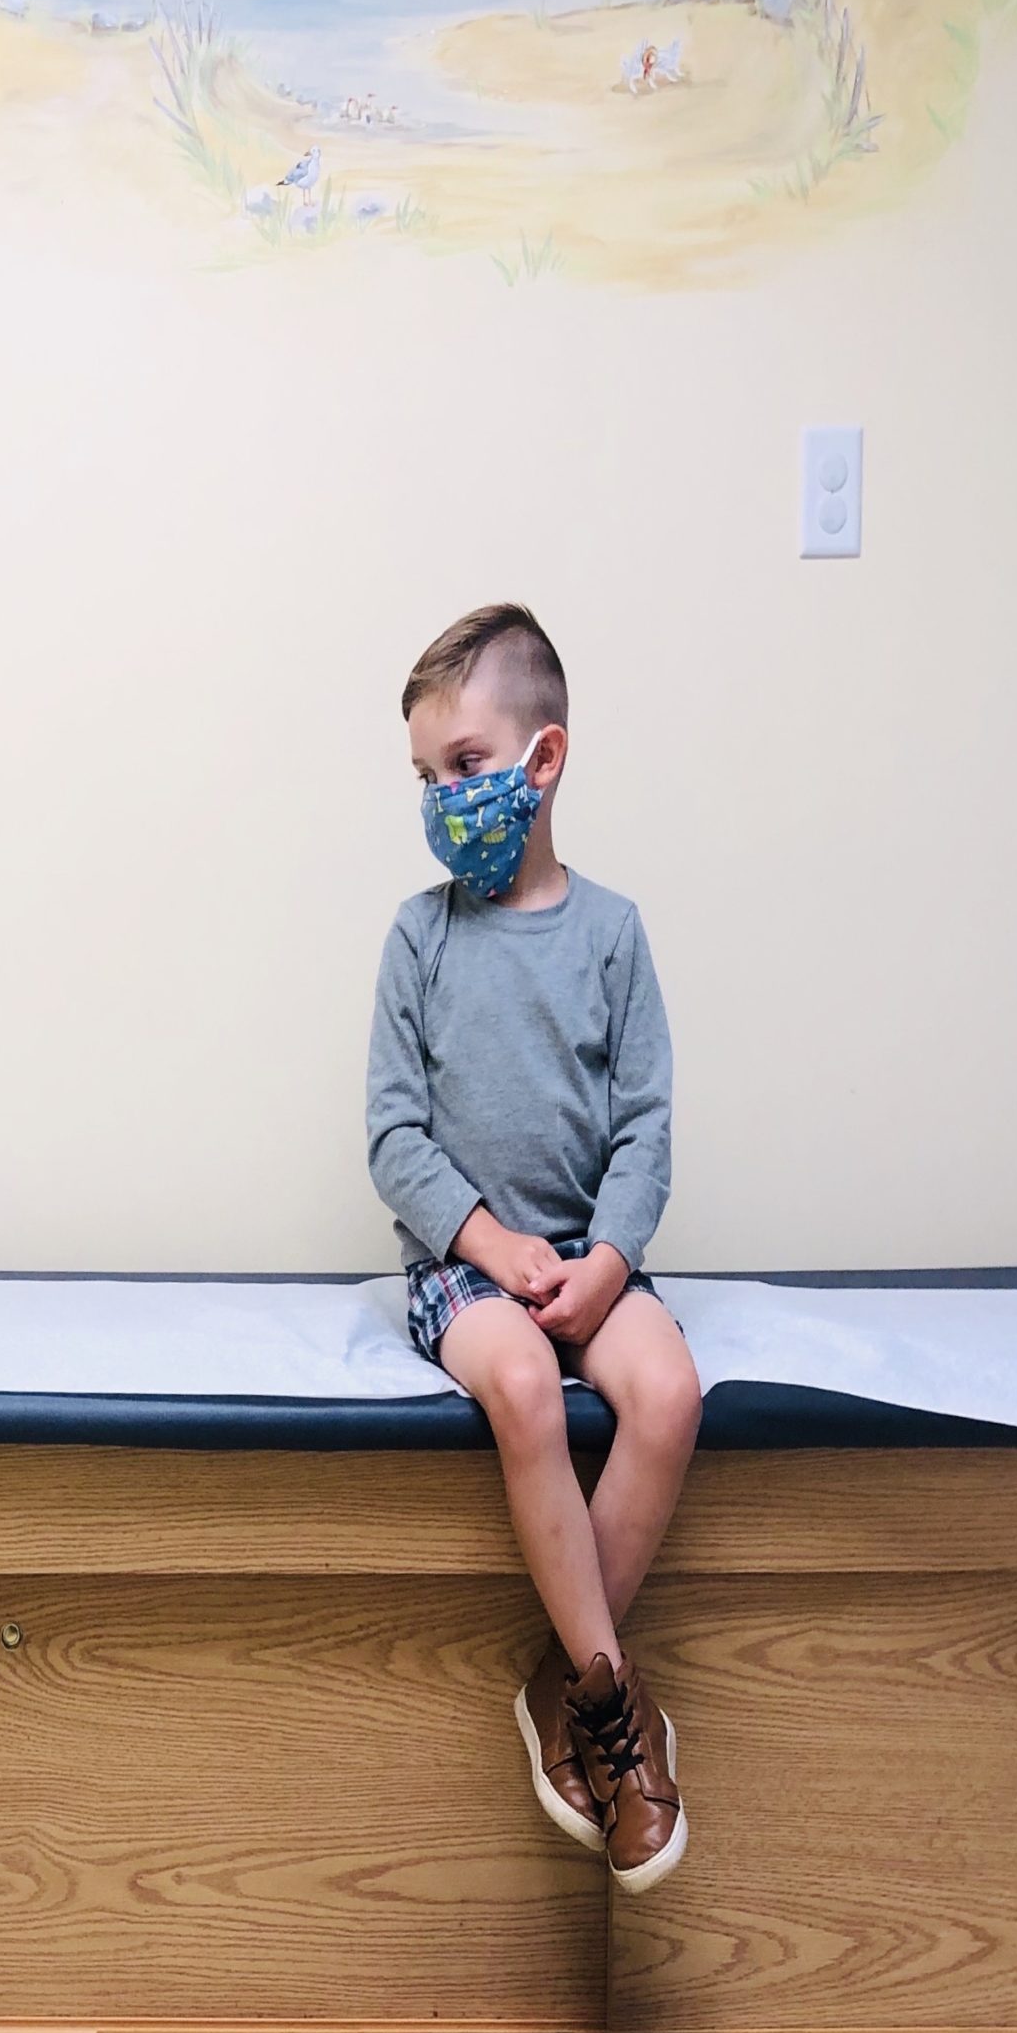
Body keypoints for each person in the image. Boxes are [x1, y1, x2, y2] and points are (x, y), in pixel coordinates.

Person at [364, 604, 701, 1891]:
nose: (443, 798)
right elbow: (394, 1137)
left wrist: (607, 1263)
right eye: (423, 779)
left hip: (593, 1257)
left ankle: (558, 1688)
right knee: (521, 1390)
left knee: (668, 1391)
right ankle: (615, 1706)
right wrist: (496, 1250)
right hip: (467, 1262)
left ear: (540, 760)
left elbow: (648, 1133)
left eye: (462, 765)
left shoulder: (612, 935)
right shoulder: (420, 938)